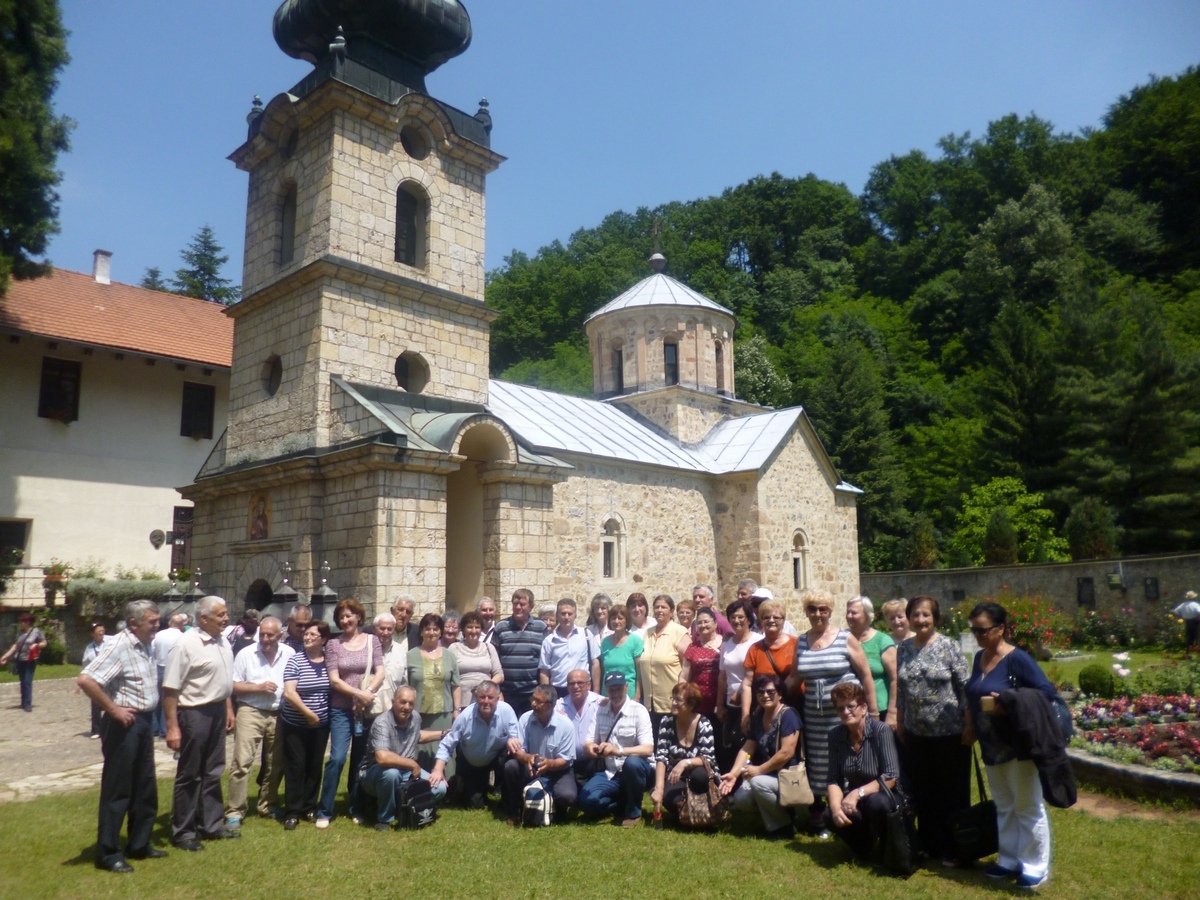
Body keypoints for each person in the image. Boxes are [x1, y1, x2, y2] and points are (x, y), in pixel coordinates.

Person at [965, 601, 1059, 888]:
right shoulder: (980, 657)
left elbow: (1046, 693)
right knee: (1004, 805)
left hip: (1019, 744)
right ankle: (1008, 859)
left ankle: (1034, 865)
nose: (977, 635)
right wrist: (970, 727)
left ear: (1001, 628)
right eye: (974, 630)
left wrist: (1009, 703)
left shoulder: (1018, 659)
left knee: (1026, 805)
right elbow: (972, 694)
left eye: (982, 630)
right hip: (991, 745)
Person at [77, 600, 164, 873]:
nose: (157, 625)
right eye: (152, 621)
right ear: (133, 623)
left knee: (144, 785)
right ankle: (108, 852)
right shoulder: (118, 646)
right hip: (123, 724)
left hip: (144, 722)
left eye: (157, 620)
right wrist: (113, 709)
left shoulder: (146, 643)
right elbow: (86, 680)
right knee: (118, 789)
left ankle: (139, 843)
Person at [790, 589, 878, 838]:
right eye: (812, 609)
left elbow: (866, 676)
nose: (818, 614)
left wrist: (873, 712)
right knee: (819, 764)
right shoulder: (801, 641)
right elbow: (794, 677)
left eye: (823, 609)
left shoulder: (845, 638)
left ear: (830, 612)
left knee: (847, 761)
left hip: (845, 717)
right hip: (814, 717)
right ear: (806, 612)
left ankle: (850, 812)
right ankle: (822, 815)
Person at [895, 595, 972, 867]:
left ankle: (955, 847)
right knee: (923, 792)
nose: (920, 619)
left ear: (935, 617)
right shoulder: (903, 649)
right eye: (915, 615)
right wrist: (900, 721)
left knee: (950, 794)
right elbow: (901, 689)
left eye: (926, 614)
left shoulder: (949, 646)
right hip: (916, 734)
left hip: (949, 734)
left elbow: (965, 686)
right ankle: (929, 844)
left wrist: (969, 724)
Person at [162, 595, 237, 850]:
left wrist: (228, 708)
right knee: (190, 773)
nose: (226, 618)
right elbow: (170, 689)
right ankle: (184, 831)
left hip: (217, 709)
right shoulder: (185, 645)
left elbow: (222, 679)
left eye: (225, 613)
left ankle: (211, 825)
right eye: (221, 615)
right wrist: (172, 727)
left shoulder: (222, 640)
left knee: (213, 770)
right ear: (203, 619)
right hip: (194, 713)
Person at [318, 597, 384, 828]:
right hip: (341, 709)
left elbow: (380, 672)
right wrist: (358, 694)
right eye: (341, 617)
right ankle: (324, 810)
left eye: (349, 616)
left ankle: (356, 807)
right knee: (337, 758)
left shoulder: (372, 641)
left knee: (359, 760)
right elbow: (334, 680)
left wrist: (368, 693)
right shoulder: (334, 645)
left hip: (365, 710)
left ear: (358, 617)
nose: (345, 620)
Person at [225, 615, 293, 831]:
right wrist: (258, 687)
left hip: (278, 712)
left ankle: (268, 804)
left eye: (270, 635)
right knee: (242, 762)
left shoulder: (289, 653)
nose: (265, 639)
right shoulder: (246, 654)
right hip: (250, 710)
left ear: (280, 636)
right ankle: (235, 811)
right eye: (262, 634)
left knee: (275, 763)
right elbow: (233, 685)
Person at [825, 681, 902, 859]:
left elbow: (891, 777)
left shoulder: (881, 731)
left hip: (887, 795)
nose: (846, 712)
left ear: (863, 708)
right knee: (829, 814)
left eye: (851, 706)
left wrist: (856, 793)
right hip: (858, 800)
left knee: (877, 803)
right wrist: (836, 809)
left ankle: (889, 848)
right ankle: (864, 847)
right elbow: (833, 779)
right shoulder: (835, 735)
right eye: (841, 708)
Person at [719, 673, 801, 839]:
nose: (765, 695)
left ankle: (783, 828)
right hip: (768, 776)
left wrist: (759, 770)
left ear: (780, 694)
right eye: (760, 692)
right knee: (741, 799)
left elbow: (787, 752)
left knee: (757, 783)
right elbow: (747, 748)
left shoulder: (788, 715)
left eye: (770, 692)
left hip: (790, 778)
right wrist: (734, 774)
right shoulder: (758, 715)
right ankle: (783, 815)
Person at [358, 686, 448, 829]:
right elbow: (382, 758)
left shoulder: (415, 717)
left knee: (440, 788)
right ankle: (385, 818)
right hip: (375, 773)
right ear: (393, 702)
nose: (407, 707)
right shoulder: (382, 723)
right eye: (403, 702)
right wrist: (412, 764)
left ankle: (404, 805)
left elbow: (417, 736)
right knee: (391, 774)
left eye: (411, 703)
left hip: (406, 773)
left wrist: (442, 734)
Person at [578, 671, 654, 827]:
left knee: (632, 763)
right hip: (610, 772)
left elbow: (648, 748)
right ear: (606, 690)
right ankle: (622, 802)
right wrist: (591, 748)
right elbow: (588, 742)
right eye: (611, 690)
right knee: (586, 802)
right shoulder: (600, 711)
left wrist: (618, 751)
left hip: (638, 771)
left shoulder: (639, 710)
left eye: (619, 688)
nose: (615, 693)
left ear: (626, 687)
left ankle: (633, 812)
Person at [430, 681, 519, 808]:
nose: (486, 701)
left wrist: (512, 739)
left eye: (490, 697)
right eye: (482, 697)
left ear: (497, 698)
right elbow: (447, 744)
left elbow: (515, 736)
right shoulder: (465, 717)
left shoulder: (507, 710)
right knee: (476, 804)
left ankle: (507, 797)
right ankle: (462, 784)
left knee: (511, 753)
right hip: (473, 763)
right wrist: (438, 770)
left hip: (496, 758)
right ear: (476, 698)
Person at [280, 620, 332, 830]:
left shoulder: (329, 661)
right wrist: (308, 713)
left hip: (321, 725)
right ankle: (292, 811)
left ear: (324, 639)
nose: (308, 637)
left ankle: (310, 807)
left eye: (313, 635)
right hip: (296, 724)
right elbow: (289, 693)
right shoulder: (296, 660)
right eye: (306, 634)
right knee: (296, 765)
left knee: (314, 765)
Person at [503, 684, 577, 824]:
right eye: (533, 699)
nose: (533, 704)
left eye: (538, 701)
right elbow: (518, 751)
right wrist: (527, 758)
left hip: (558, 771)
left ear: (551, 705)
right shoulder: (525, 719)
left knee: (567, 795)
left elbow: (565, 759)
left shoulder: (566, 725)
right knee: (511, 766)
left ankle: (556, 810)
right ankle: (515, 811)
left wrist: (550, 764)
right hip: (532, 767)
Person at [651, 682, 718, 825]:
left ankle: (702, 808)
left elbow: (708, 758)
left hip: (699, 774)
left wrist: (685, 763)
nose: (673, 703)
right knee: (670, 799)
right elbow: (661, 756)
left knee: (699, 775)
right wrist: (659, 789)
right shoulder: (667, 721)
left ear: (691, 704)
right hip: (676, 775)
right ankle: (691, 814)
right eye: (673, 698)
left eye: (678, 700)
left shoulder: (704, 723)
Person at [407, 613, 462, 776]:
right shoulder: (410, 655)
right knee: (419, 749)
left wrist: (456, 710)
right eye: (428, 629)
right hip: (418, 713)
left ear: (440, 632)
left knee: (444, 749)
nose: (431, 632)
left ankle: (448, 783)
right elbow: (405, 684)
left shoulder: (449, 655)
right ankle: (419, 782)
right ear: (421, 632)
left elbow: (456, 685)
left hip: (443, 714)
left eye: (435, 629)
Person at [715, 599, 761, 772]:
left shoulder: (758, 641)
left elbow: (758, 673)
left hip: (754, 702)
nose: (737, 620)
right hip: (731, 704)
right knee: (732, 746)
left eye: (741, 617)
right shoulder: (726, 644)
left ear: (749, 619)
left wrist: (740, 693)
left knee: (751, 746)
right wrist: (720, 705)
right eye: (733, 617)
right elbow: (722, 677)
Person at [740, 599, 797, 733]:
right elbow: (747, 683)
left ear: (783, 620)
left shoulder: (796, 644)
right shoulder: (755, 649)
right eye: (766, 617)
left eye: (776, 617)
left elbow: (798, 676)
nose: (771, 620)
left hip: (793, 706)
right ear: (761, 620)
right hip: (764, 708)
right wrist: (745, 714)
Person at [491, 588, 548, 717]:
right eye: (515, 604)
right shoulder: (501, 627)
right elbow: (494, 661)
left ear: (531, 606)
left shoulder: (541, 627)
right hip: (507, 693)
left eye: (522, 604)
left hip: (532, 692)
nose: (518, 607)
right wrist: (498, 690)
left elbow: (545, 659)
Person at [636, 593, 688, 736]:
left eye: (663, 607)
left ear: (671, 611)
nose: (659, 610)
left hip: (671, 702)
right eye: (657, 607)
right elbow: (642, 666)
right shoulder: (647, 633)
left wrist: (682, 694)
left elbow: (688, 666)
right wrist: (638, 694)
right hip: (649, 703)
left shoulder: (679, 632)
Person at [846, 595, 898, 725]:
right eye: (848, 612)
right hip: (849, 711)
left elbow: (895, 679)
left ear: (867, 615)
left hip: (880, 709)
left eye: (854, 613)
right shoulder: (843, 639)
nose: (849, 616)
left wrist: (892, 712)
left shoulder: (882, 641)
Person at [555, 668, 603, 782]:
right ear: (567, 687)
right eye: (572, 683)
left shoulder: (600, 703)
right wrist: (554, 715)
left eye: (580, 683)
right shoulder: (559, 705)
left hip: (595, 761)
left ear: (589, 685)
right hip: (569, 763)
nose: (576, 686)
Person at [539, 598, 592, 698]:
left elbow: (595, 663)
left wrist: (596, 692)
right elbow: (544, 671)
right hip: (558, 690)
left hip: (581, 688)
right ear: (557, 616)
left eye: (570, 614)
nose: (566, 617)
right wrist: (546, 696)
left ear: (575, 615)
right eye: (563, 614)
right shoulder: (549, 641)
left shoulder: (586, 635)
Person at [680, 607, 723, 725]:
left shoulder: (725, 643)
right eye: (699, 623)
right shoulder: (693, 647)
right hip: (698, 702)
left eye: (706, 622)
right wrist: (682, 695)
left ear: (715, 623)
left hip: (721, 701)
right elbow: (684, 675)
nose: (703, 625)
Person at [449, 611, 503, 698]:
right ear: (463, 630)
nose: (473, 631)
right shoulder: (454, 648)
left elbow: (499, 674)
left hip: (486, 698)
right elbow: (449, 676)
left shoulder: (489, 648)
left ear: (481, 629)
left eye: (477, 627)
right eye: (469, 627)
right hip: (462, 698)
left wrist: (485, 687)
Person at [2, 612, 47, 712]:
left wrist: (36, 645)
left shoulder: (36, 631)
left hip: (30, 659)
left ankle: (27, 704)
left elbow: (44, 643)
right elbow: (16, 646)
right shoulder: (20, 633)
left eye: (21, 622)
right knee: (22, 681)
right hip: (20, 659)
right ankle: (23, 702)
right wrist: (5, 656)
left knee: (27, 681)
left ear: (27, 622)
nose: (20, 624)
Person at [150, 613, 186, 737]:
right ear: (181, 625)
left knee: (158, 699)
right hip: (173, 669)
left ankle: (154, 728)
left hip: (159, 667)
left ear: (170, 623)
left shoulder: (159, 635)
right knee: (170, 699)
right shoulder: (182, 637)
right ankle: (164, 730)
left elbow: (152, 651)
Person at [366, 612, 407, 720]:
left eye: (389, 629)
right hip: (370, 710)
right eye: (382, 628)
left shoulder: (400, 650)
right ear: (374, 629)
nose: (386, 632)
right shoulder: (365, 649)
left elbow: (404, 681)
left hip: (394, 712)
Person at [599, 604, 644, 699]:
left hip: (628, 694)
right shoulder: (605, 642)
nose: (616, 621)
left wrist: (637, 695)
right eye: (613, 618)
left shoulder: (635, 641)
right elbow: (603, 671)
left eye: (620, 618)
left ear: (626, 620)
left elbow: (640, 671)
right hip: (608, 694)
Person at [81, 622, 110, 738]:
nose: (100, 632)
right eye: (98, 630)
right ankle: (96, 730)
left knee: (112, 701)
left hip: (110, 676)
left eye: (102, 629)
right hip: (96, 678)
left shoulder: (111, 642)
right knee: (95, 702)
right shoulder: (89, 648)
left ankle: (110, 728)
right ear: (92, 634)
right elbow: (85, 664)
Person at [585, 593, 614, 660]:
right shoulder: (588, 630)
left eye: (603, 608)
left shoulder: (614, 629)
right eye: (596, 608)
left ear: (609, 610)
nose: (599, 611)